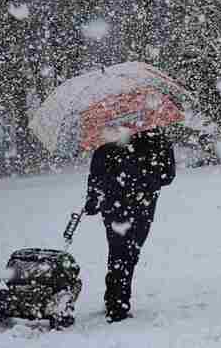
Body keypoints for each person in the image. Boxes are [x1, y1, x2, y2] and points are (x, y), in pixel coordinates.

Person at [83, 127, 176, 322]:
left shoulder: (107, 143)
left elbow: (96, 178)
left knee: (117, 251)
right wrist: (148, 180)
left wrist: (92, 202)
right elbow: (168, 176)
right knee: (130, 252)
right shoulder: (157, 141)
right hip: (143, 206)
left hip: (113, 206)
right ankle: (118, 302)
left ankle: (115, 299)